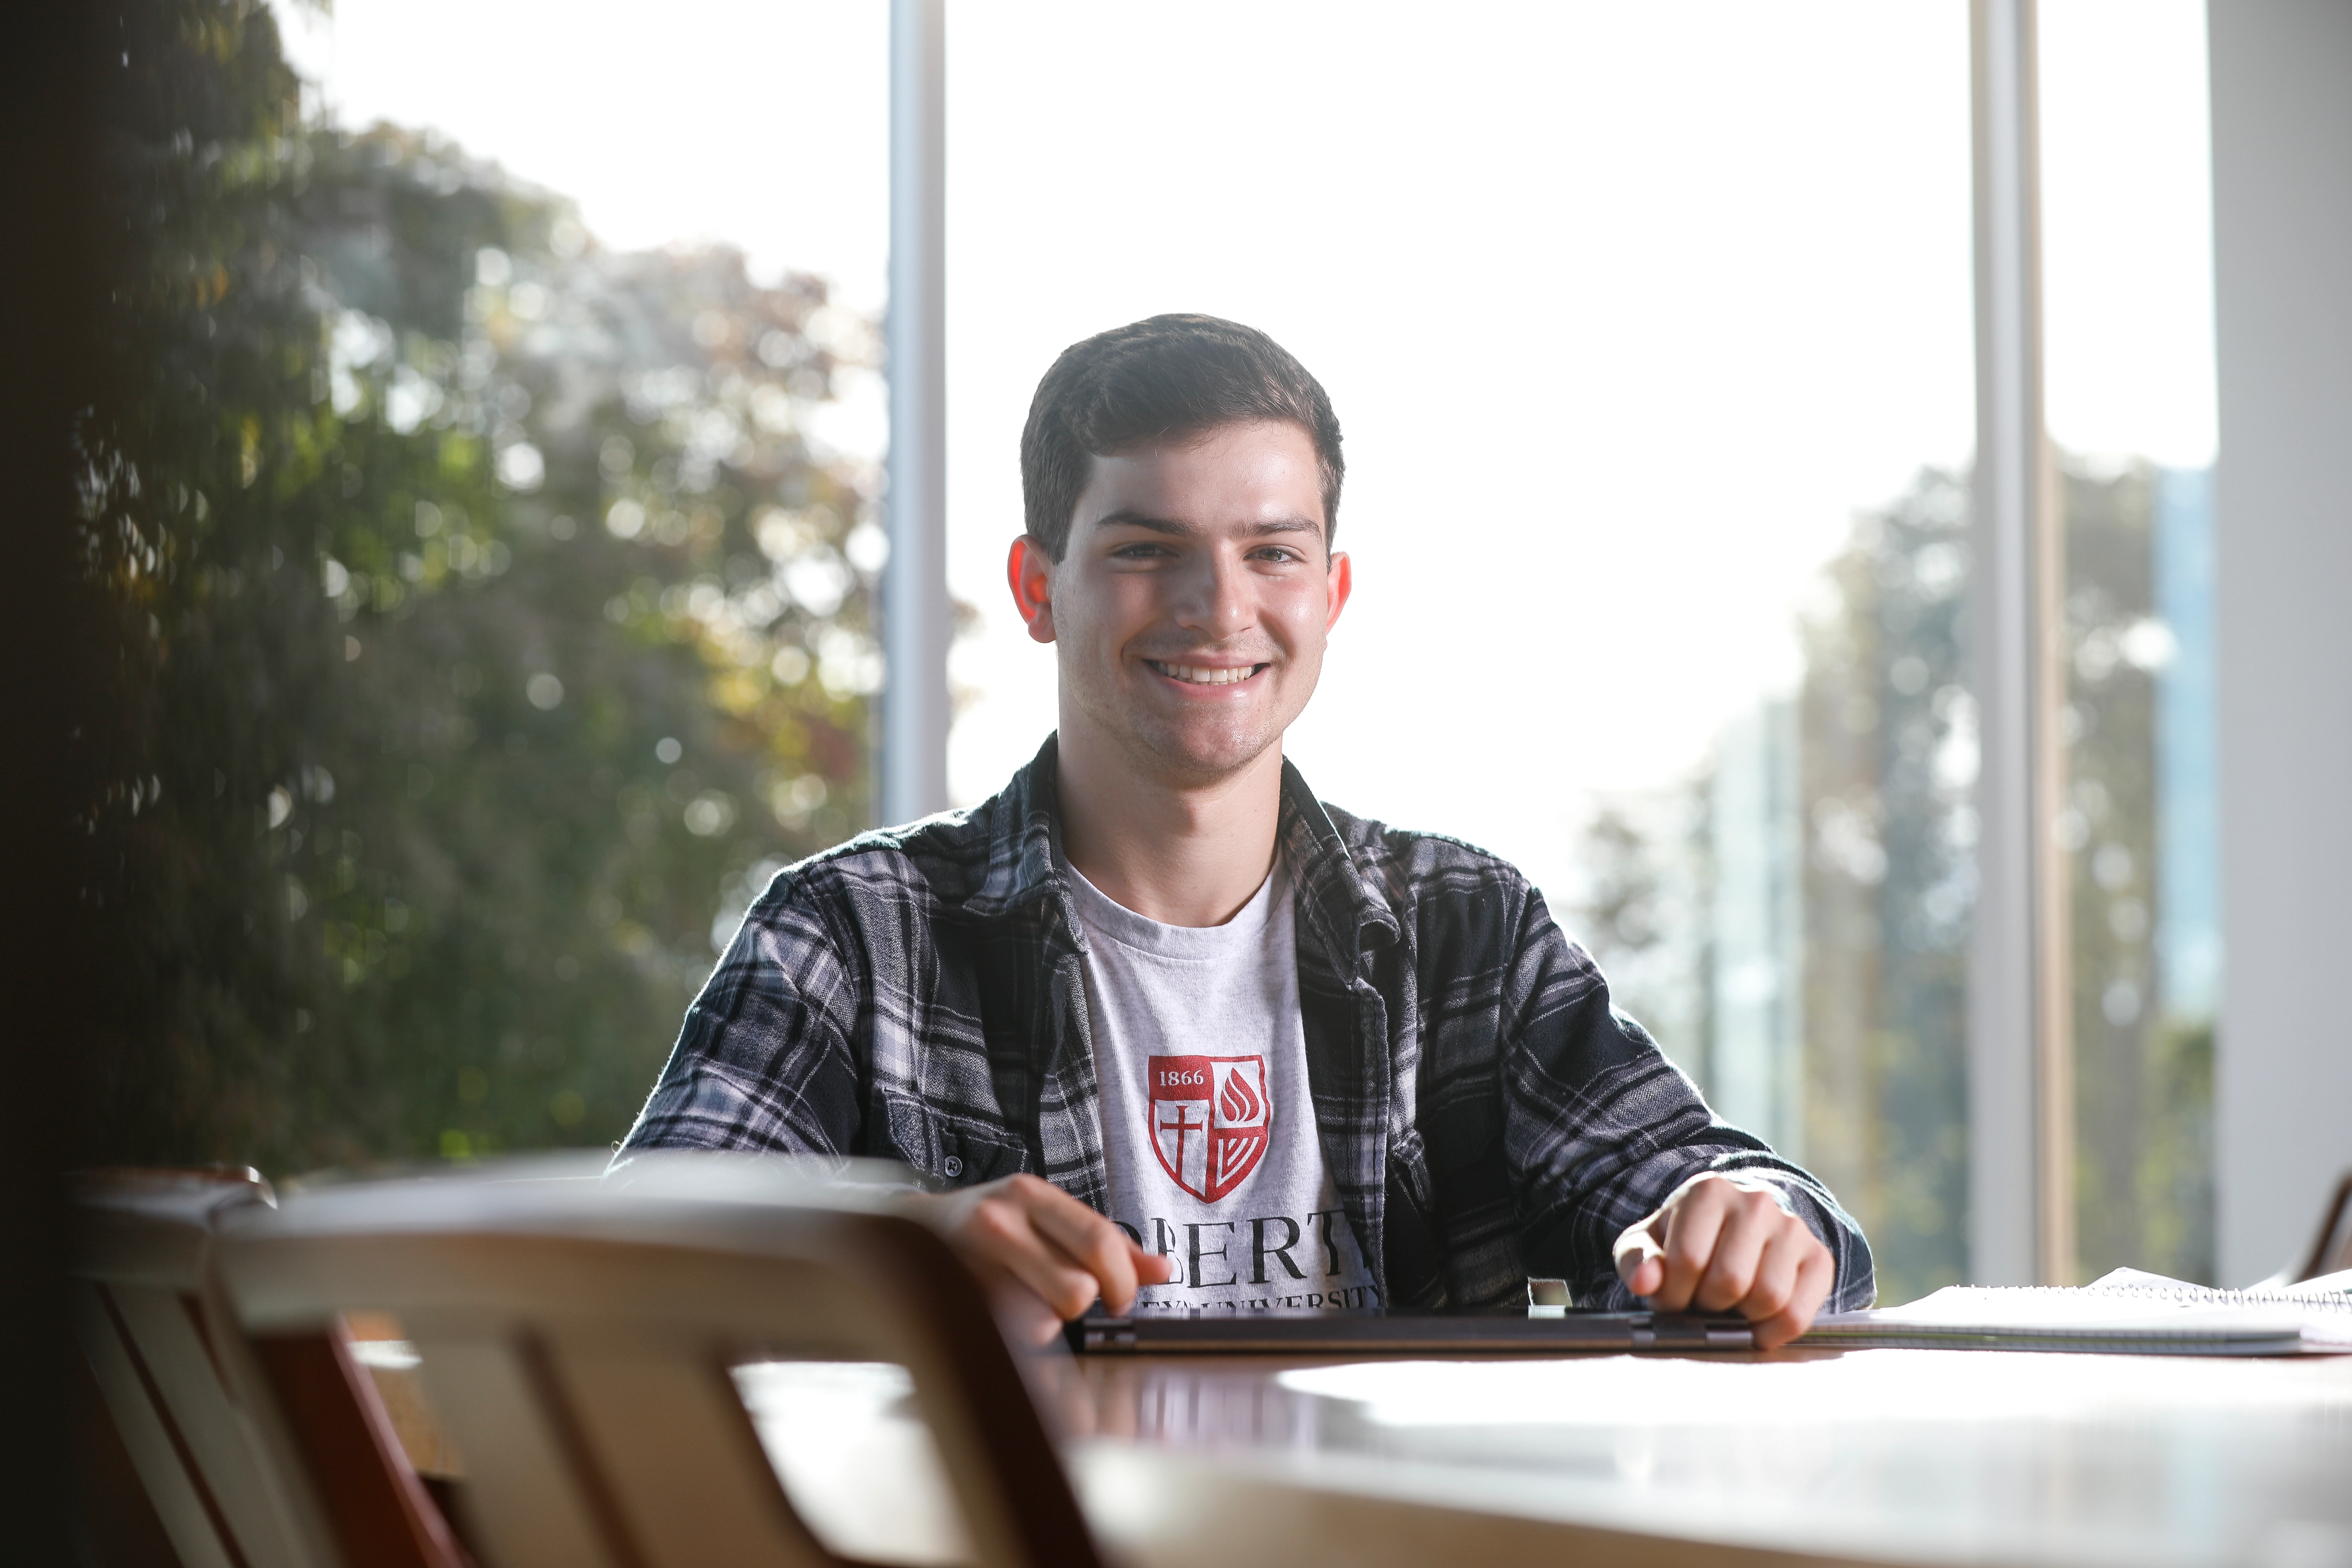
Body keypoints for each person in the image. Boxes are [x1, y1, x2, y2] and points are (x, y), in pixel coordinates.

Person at [619, 313, 1873, 1348]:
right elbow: (621, 1262)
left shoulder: (1463, 927)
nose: (1219, 609)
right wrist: (898, 1254)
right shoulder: (855, 932)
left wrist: (1754, 1219)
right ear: (1037, 589)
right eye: (1149, 549)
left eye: (1272, 552)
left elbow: (1713, 1194)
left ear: (1330, 594)